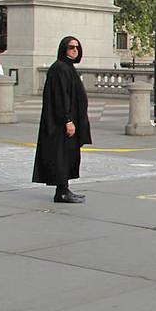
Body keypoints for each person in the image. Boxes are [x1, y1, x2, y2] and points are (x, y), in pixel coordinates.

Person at [32, 36, 91, 204]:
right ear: (64, 49)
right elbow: (60, 97)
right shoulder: (59, 68)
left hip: (69, 120)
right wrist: (67, 120)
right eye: (71, 47)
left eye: (77, 47)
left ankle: (64, 189)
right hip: (61, 124)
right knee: (61, 156)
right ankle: (61, 192)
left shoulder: (68, 67)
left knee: (68, 155)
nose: (75, 50)